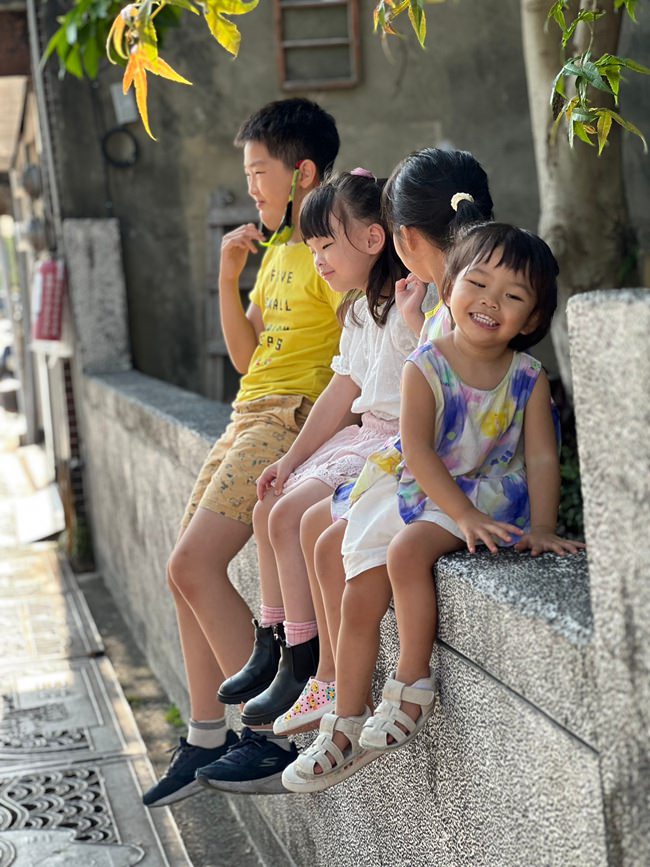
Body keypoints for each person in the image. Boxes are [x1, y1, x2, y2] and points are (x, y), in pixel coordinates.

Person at [282, 222, 584, 793]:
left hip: (487, 493)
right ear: (449, 288)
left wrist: (542, 527)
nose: (491, 302)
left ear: (534, 319)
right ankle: (344, 721)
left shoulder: (527, 377)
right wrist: (458, 514)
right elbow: (417, 452)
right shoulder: (426, 363)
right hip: (425, 485)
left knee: (409, 549)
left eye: (514, 295)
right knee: (358, 591)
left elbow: (543, 458)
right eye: (478, 283)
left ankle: (411, 687)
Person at [196, 169, 428, 793]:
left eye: (327, 246)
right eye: (314, 247)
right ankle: (286, 647)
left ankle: (320, 673)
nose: (318, 259)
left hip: (393, 441)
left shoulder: (415, 303)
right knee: (275, 508)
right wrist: (292, 460)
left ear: (375, 238)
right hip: (362, 433)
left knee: (301, 519)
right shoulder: (359, 311)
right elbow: (341, 392)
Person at [142, 97, 342, 807]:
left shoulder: (330, 248)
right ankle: (206, 735)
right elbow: (246, 355)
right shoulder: (279, 249)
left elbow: (360, 351)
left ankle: (272, 737)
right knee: (182, 573)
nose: (251, 186)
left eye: (259, 171)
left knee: (190, 563)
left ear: (304, 172)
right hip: (247, 411)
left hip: (288, 421)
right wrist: (227, 279)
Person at [278, 148, 494, 739]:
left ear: (398, 237)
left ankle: (372, 697)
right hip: (422, 460)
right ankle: (336, 692)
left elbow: (453, 413)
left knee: (347, 541)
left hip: (446, 468)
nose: (320, 260)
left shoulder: (453, 305)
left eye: (327, 247)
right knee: (319, 536)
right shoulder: (429, 305)